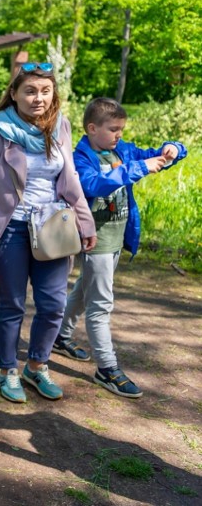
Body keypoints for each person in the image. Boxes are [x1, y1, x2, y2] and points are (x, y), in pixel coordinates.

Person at [0, 61, 96, 404]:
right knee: (12, 304)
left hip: (52, 228)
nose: (38, 98)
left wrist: (85, 220)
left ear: (54, 94)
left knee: (52, 305)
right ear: (14, 94)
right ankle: (7, 370)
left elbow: (70, 178)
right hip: (9, 229)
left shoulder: (60, 126)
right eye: (30, 91)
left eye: (45, 91)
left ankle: (37, 365)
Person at [53, 97, 186, 398]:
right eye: (113, 129)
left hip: (116, 240)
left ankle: (60, 337)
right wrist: (139, 168)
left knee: (84, 292)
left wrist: (174, 149)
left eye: (121, 130)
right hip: (95, 243)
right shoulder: (81, 158)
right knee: (100, 306)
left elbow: (156, 156)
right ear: (91, 128)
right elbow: (95, 185)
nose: (119, 135)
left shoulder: (122, 151)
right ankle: (107, 369)